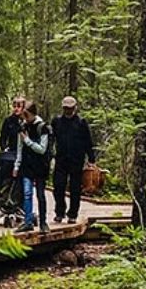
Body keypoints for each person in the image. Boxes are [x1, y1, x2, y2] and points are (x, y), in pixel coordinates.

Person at [51, 95, 95, 223]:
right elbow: (50, 139)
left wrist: (91, 158)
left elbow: (88, 141)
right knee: (58, 186)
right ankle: (60, 211)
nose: (68, 110)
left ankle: (72, 214)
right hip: (61, 159)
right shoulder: (57, 122)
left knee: (75, 188)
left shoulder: (81, 122)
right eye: (66, 108)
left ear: (75, 108)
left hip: (77, 160)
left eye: (70, 108)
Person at [12, 101, 50, 233]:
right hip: (26, 166)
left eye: (26, 116)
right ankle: (27, 221)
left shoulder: (43, 127)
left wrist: (27, 140)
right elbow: (19, 148)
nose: (25, 119)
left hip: (40, 166)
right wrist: (16, 165)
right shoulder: (22, 127)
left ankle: (43, 223)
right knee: (27, 194)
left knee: (40, 195)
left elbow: (42, 149)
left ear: (33, 114)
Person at [0, 96, 25, 200]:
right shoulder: (8, 120)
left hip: (23, 152)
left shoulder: (26, 121)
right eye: (14, 106)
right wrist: (4, 148)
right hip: (11, 151)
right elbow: (3, 137)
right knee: (1, 166)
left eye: (19, 106)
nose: (16, 108)